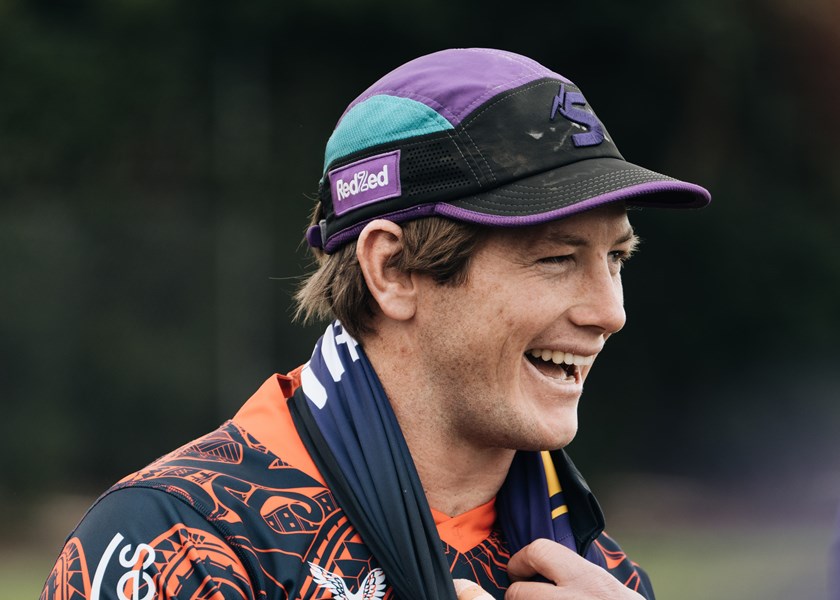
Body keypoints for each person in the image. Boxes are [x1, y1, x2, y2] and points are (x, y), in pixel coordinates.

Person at [41, 48, 710, 600]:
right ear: (392, 270)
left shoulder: (598, 575)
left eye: (616, 258)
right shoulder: (177, 545)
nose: (610, 312)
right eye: (557, 259)